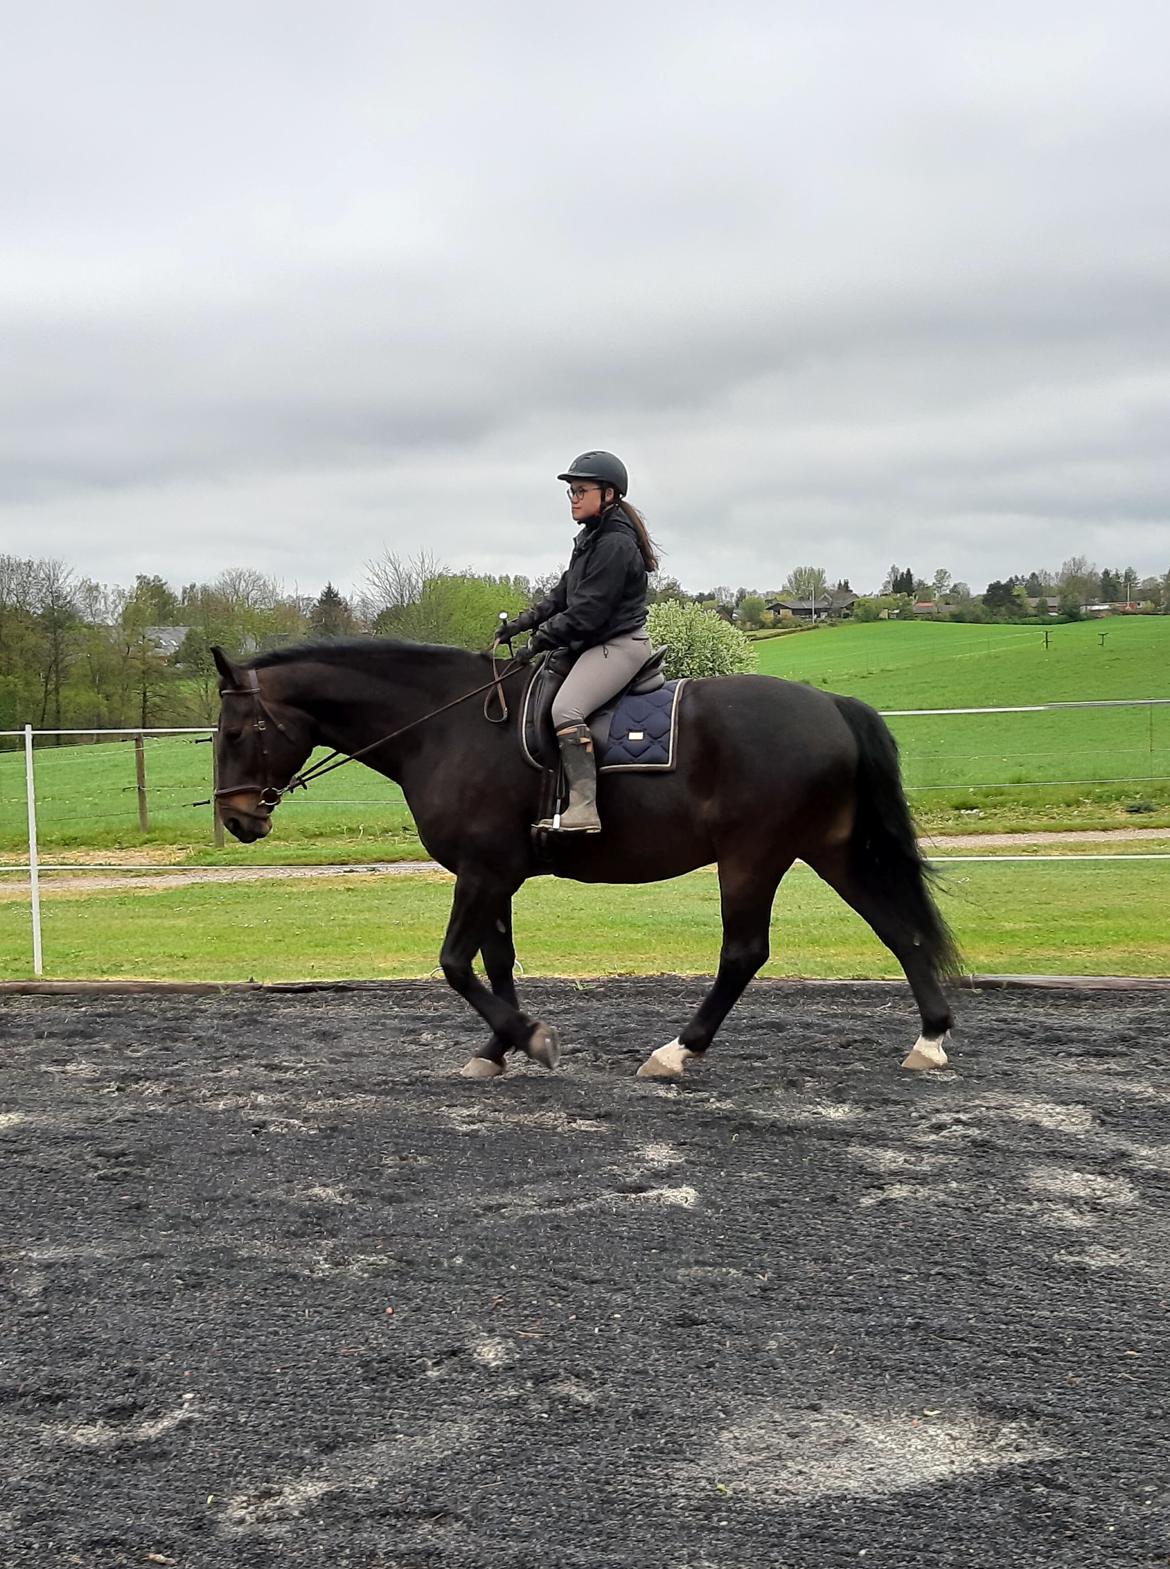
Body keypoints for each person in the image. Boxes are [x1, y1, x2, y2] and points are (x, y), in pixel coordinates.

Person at [497, 451, 658, 833]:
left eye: (581, 490)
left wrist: (536, 643)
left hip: (618, 645)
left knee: (566, 711)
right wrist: (520, 625)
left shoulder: (616, 545)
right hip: (592, 643)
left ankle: (584, 807)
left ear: (609, 494)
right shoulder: (590, 538)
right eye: (570, 491)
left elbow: (587, 613)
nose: (573, 498)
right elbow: (562, 595)